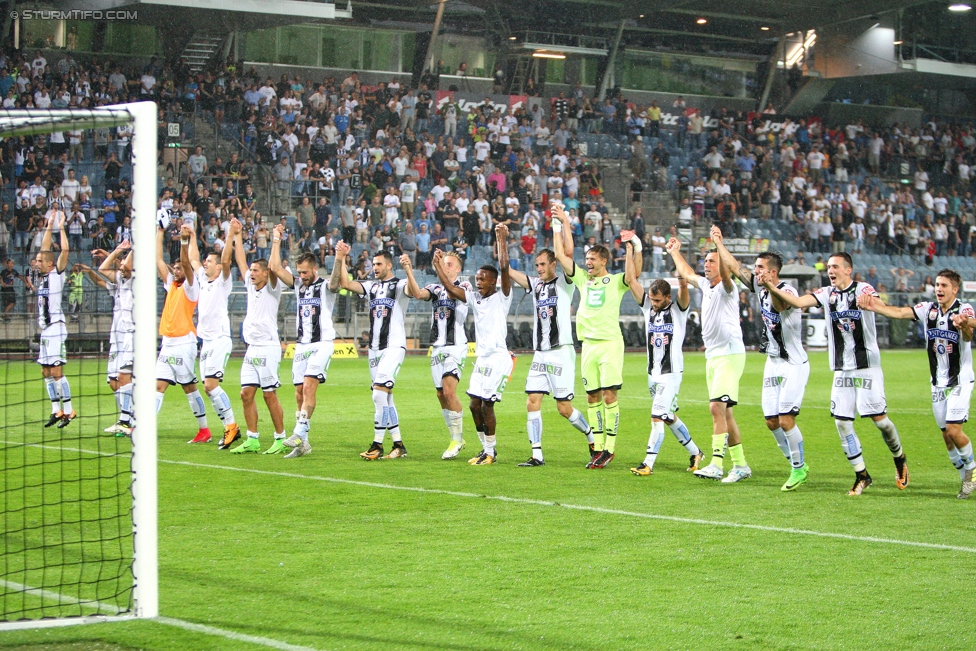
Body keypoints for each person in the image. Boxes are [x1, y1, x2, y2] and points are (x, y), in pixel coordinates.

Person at [763, 252, 909, 496]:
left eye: (835, 267)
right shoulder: (826, 294)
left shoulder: (864, 289)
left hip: (867, 366)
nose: (830, 271)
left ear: (848, 270)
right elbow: (798, 303)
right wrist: (769, 285)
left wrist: (873, 305)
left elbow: (884, 308)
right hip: (842, 368)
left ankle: (899, 456)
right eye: (829, 267)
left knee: (881, 422)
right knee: (842, 422)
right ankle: (862, 475)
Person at [857, 269, 975, 498]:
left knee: (953, 429)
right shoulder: (927, 309)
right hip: (937, 382)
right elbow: (900, 312)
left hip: (960, 380)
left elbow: (969, 334)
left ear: (955, 289)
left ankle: (971, 469)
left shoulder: (964, 309)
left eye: (944, 285)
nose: (939, 289)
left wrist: (965, 324)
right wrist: (874, 306)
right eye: (937, 285)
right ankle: (965, 478)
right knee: (946, 435)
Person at [713, 227, 810, 491]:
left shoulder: (786, 290)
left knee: (786, 418)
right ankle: (796, 462)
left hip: (794, 363)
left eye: (760, 268)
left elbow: (781, 307)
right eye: (755, 268)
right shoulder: (760, 284)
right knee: (771, 421)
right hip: (773, 361)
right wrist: (718, 242)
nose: (755, 271)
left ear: (773, 271)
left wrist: (768, 285)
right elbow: (734, 266)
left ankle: (798, 469)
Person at [500, 224, 594, 466]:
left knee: (564, 408)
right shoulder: (535, 286)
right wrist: (501, 240)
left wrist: (558, 226)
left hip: (561, 352)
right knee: (532, 401)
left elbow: (568, 254)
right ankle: (536, 454)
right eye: (537, 265)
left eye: (543, 264)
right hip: (540, 354)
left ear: (554, 264)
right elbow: (506, 269)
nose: (539, 268)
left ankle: (592, 437)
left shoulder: (565, 282)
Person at [668, 233, 751, 483]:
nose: (707, 264)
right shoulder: (706, 285)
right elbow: (688, 272)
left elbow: (727, 275)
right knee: (725, 414)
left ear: (722, 266)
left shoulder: (728, 287)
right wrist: (674, 252)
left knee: (716, 407)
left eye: (712, 261)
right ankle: (741, 465)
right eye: (706, 260)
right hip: (714, 356)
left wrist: (720, 246)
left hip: (730, 353)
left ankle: (716, 463)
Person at [552, 202, 627, 469]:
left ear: (604, 260)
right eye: (587, 260)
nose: (588, 263)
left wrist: (632, 247)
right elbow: (560, 255)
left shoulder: (617, 281)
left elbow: (635, 272)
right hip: (588, 346)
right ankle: (597, 446)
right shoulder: (583, 279)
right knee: (592, 397)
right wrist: (559, 224)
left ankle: (610, 447)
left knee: (609, 395)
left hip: (610, 344)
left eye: (592, 259)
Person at [432, 228, 513, 465]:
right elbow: (450, 288)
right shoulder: (475, 298)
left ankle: (490, 451)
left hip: (498, 358)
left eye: (483, 279)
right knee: (474, 405)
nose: (478, 283)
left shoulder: (503, 296)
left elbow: (505, 267)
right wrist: (438, 265)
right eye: (477, 279)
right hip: (482, 358)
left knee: (487, 406)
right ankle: (485, 449)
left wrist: (502, 239)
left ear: (494, 281)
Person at [624, 245, 704, 476]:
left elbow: (684, 286)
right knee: (668, 417)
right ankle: (696, 452)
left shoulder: (679, 309)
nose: (654, 302)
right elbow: (630, 279)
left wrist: (677, 261)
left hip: (671, 373)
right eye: (652, 299)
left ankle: (648, 463)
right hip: (652, 373)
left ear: (668, 297)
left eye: (658, 300)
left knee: (657, 416)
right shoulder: (648, 307)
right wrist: (630, 250)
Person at [334, 242, 411, 460]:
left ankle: (377, 445)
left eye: (378, 264)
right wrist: (341, 259)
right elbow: (346, 283)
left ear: (388, 265)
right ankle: (398, 445)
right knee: (386, 398)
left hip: (394, 346)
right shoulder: (372, 287)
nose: (374, 267)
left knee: (378, 394)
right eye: (373, 264)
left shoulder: (399, 285)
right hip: (375, 349)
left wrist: (409, 270)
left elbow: (413, 291)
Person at [268, 224, 339, 459]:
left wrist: (339, 259)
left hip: (322, 343)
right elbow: (275, 267)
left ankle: (298, 432)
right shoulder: (298, 284)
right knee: (299, 392)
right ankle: (303, 444)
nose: (302, 276)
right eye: (299, 272)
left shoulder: (325, 286)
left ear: (315, 269)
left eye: (305, 272)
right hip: (302, 344)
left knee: (309, 386)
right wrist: (276, 237)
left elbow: (337, 281)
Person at [400, 250, 471, 459]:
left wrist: (438, 265)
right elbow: (418, 294)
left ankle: (457, 439)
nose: (446, 266)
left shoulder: (465, 286)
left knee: (450, 392)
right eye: (444, 264)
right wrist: (408, 271)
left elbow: (451, 290)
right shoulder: (435, 288)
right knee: (441, 394)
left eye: (450, 264)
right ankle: (454, 437)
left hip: (456, 345)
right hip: (437, 347)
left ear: (458, 269)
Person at [228, 217, 288, 454]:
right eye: (251, 270)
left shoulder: (273, 286)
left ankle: (280, 438)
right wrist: (237, 235)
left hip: (268, 346)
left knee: (269, 394)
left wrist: (275, 240)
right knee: (245, 394)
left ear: (264, 273)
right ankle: (252, 439)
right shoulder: (251, 285)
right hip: (252, 347)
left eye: (255, 270)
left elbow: (274, 267)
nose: (250, 273)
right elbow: (240, 259)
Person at [154, 224, 210, 442]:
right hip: (167, 343)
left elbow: (186, 263)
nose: (175, 271)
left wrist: (184, 241)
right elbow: (158, 260)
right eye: (174, 268)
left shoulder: (190, 286)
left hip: (184, 342)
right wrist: (160, 233)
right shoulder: (172, 285)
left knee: (189, 387)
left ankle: (204, 429)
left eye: (178, 268)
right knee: (158, 386)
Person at [185, 224, 239, 448]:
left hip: (219, 339)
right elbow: (193, 259)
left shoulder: (222, 282)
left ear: (218, 268)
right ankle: (228, 427)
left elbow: (226, 260)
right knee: (208, 389)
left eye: (210, 261)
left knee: (210, 385)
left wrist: (230, 236)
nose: (205, 263)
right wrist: (192, 236)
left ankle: (231, 426)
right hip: (206, 342)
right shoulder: (203, 279)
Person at [89, 243, 135, 435]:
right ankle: (126, 417)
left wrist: (129, 249)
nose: (122, 266)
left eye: (125, 263)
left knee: (124, 377)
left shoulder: (135, 279)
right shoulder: (120, 280)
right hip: (116, 337)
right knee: (114, 380)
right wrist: (114, 253)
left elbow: (115, 268)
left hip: (131, 335)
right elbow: (103, 269)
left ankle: (127, 420)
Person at [37, 218, 76, 429]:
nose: (36, 262)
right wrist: (49, 223)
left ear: (50, 263)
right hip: (45, 330)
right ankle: (56, 410)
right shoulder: (41, 276)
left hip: (56, 328)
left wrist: (61, 227)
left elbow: (65, 250)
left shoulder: (56, 274)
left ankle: (69, 410)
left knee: (56, 372)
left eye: (40, 261)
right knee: (45, 371)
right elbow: (44, 248)